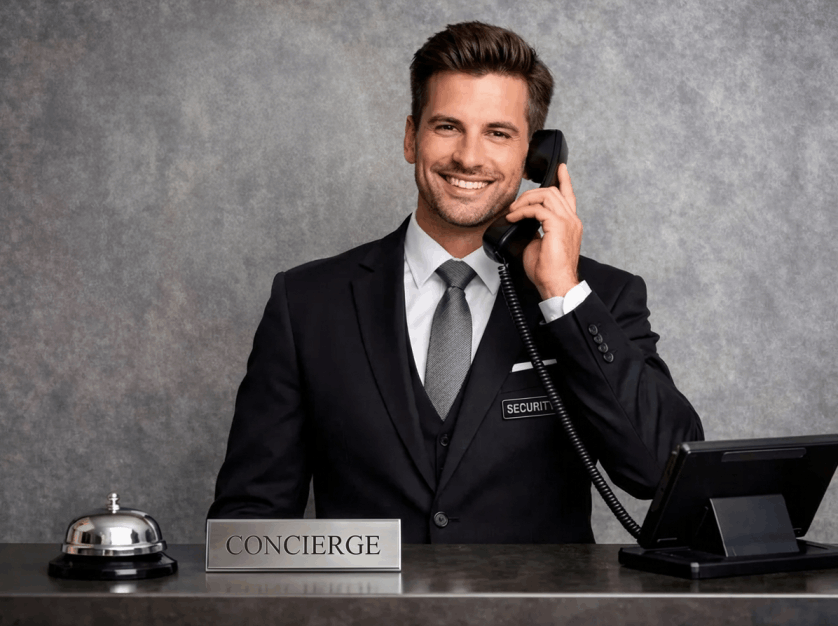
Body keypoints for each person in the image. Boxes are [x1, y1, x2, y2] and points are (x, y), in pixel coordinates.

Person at [208, 21, 703, 543]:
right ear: (410, 137)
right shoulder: (307, 303)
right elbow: (247, 527)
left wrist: (564, 296)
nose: (468, 157)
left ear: (535, 155)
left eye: (498, 133)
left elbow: (659, 471)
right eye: (447, 126)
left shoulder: (602, 296)